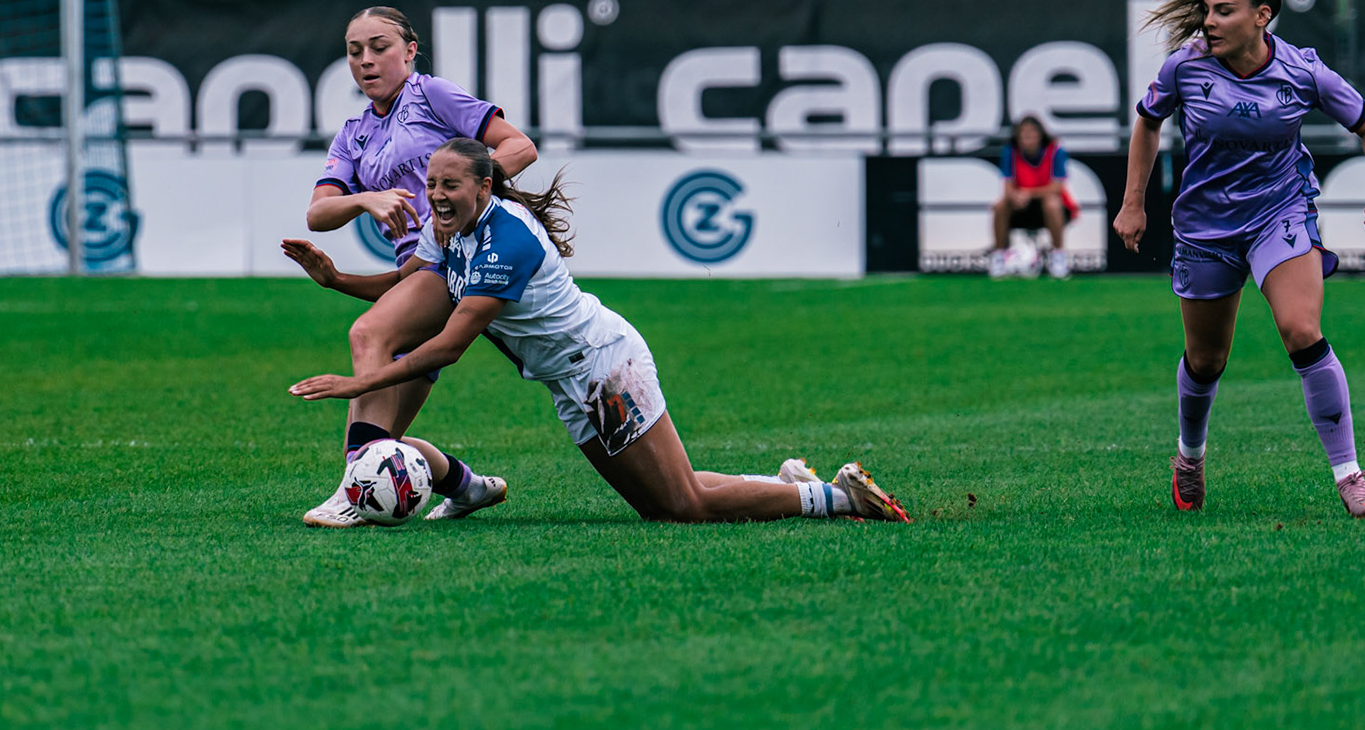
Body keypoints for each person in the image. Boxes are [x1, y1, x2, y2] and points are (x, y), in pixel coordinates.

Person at [287, 137, 911, 525]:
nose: (437, 197)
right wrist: (335, 278)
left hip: (602, 368)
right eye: (430, 186)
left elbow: (449, 343)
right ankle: (785, 485)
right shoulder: (454, 228)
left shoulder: (504, 238)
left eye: (449, 185)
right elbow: (412, 281)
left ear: (484, 184)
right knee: (664, 501)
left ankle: (835, 499)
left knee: (683, 506)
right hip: (572, 384)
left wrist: (357, 385)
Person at [1114, 0, 1365, 518]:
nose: (1209, 22)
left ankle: (1350, 476)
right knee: (1206, 360)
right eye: (1206, 11)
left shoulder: (1303, 70)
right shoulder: (1184, 67)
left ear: (1262, 15)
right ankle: (1189, 457)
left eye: (1223, 11)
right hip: (1205, 225)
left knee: (1301, 329)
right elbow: (1147, 122)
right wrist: (1133, 203)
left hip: (1280, 214)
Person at [298, 6, 538, 527]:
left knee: (368, 334)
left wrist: (458, 207)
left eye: (380, 46)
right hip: (418, 272)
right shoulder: (354, 133)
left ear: (409, 51)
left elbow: (520, 147)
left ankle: (350, 494)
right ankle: (466, 486)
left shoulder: (431, 95)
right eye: (354, 50)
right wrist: (366, 199)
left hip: (456, 262)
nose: (366, 60)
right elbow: (318, 213)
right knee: (385, 442)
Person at [988, 115, 1079, 280]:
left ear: (1040, 135)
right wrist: (1016, 196)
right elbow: (1007, 185)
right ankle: (999, 257)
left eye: (1032, 133)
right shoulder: (1010, 151)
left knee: (1051, 203)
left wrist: (1028, 194)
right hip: (1020, 207)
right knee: (1000, 205)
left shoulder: (1055, 151)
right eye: (1024, 134)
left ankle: (1058, 257)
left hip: (1053, 209)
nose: (1028, 138)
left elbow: (1056, 187)